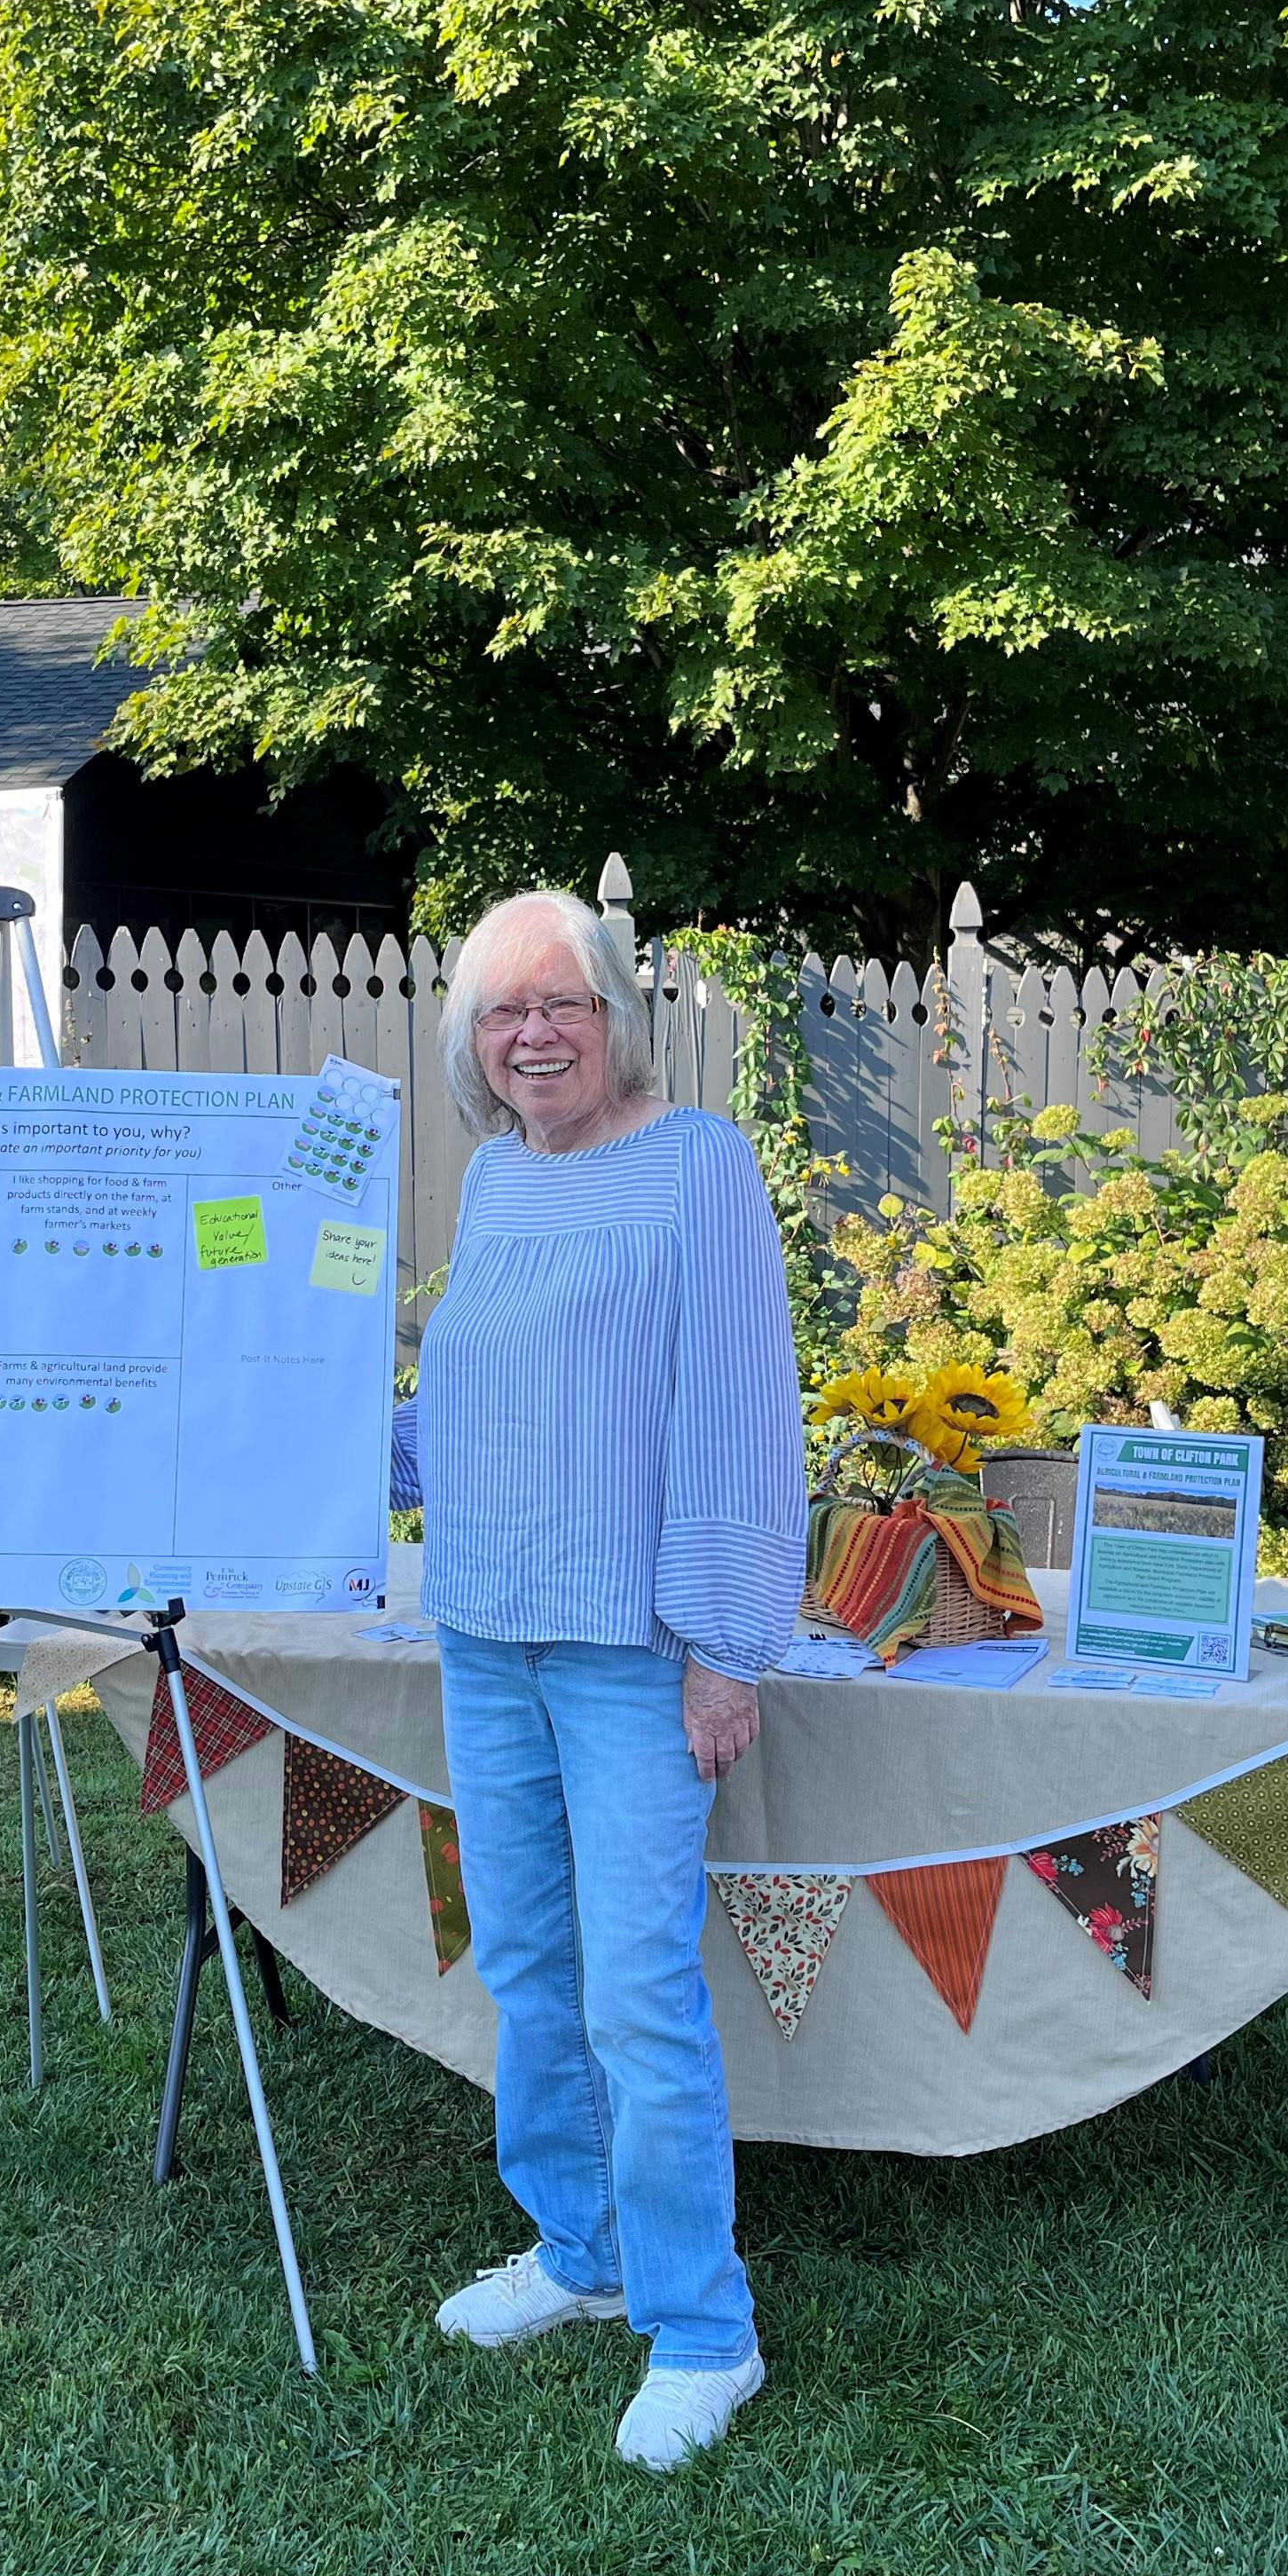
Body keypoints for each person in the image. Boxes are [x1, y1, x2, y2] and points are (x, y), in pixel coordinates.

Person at [395, 888, 806, 2470]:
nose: (534, 1033)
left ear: (619, 1012)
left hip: (635, 1651)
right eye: (502, 1013)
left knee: (640, 1995)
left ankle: (706, 2328)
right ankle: (580, 2251)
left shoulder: (697, 1163)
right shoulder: (495, 1180)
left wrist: (723, 1646)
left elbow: (734, 1412)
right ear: (469, 1044)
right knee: (524, 1967)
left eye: (560, 1003)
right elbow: (464, 1419)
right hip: (483, 1633)